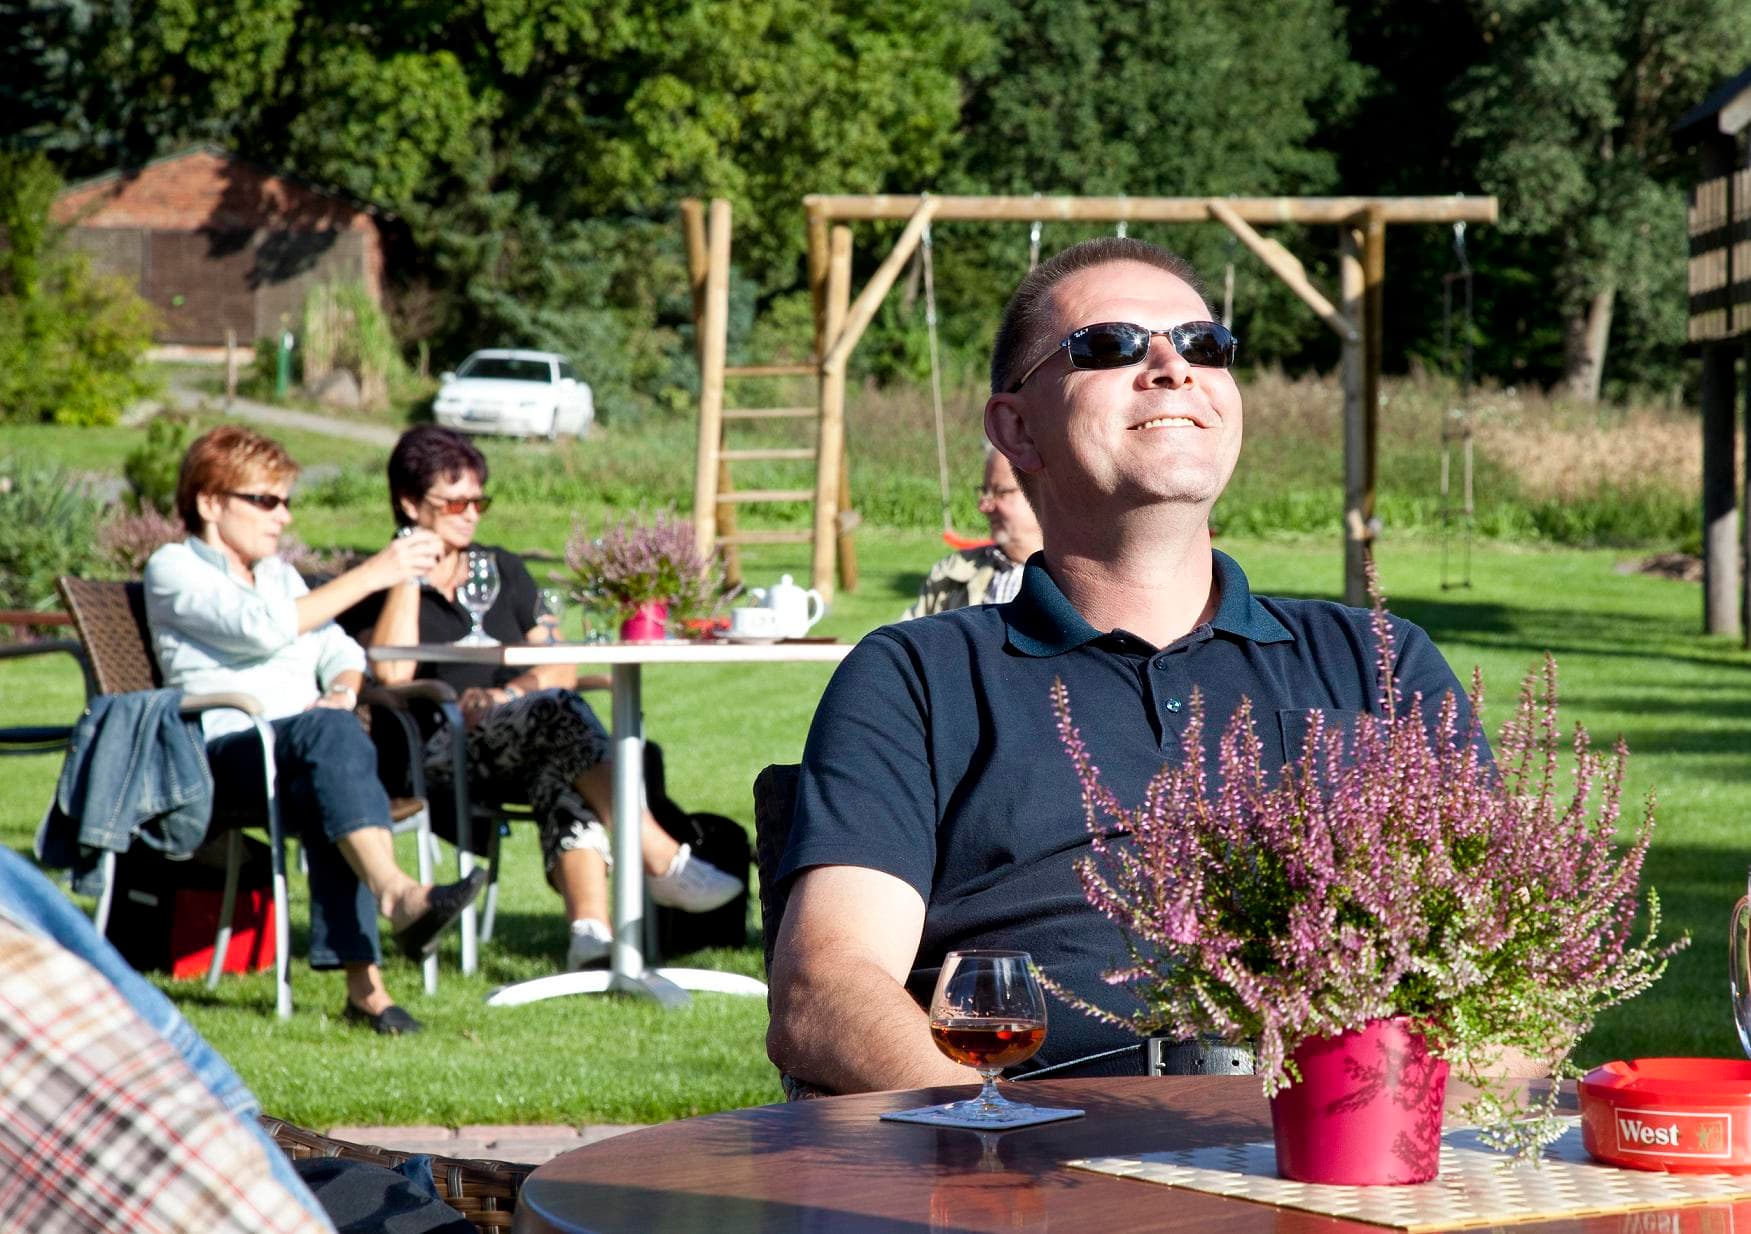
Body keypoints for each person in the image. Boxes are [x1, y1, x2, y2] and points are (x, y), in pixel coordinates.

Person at [767, 238, 1477, 1093]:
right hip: (1029, 1167)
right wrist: (1001, 1151)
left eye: (1205, 344)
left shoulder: (1378, 663)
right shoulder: (920, 679)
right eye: (1111, 345)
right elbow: (825, 991)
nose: (1173, 366)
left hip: (1334, 1157)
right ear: (1015, 429)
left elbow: (1511, 974)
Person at [347, 426, 742, 972]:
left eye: (479, 499)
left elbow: (560, 664)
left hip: (521, 736)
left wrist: (507, 693)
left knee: (563, 751)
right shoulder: (374, 581)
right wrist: (405, 572)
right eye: (455, 501)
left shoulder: (503, 568)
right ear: (410, 503)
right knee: (562, 720)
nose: (471, 513)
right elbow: (391, 670)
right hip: (434, 750)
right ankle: (662, 858)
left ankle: (591, 934)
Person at [144, 426, 487, 1035]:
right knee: (332, 740)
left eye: (286, 501)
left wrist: (343, 689)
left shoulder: (276, 573)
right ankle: (397, 898)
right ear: (209, 503)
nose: (283, 516)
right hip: (220, 756)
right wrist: (377, 572)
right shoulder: (173, 569)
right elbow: (261, 629)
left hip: (299, 751)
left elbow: (338, 649)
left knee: (331, 760)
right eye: (266, 501)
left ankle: (369, 994)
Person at [901, 449, 1044, 619]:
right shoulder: (950, 572)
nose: (984, 507)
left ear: (1041, 491)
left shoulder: (1073, 580)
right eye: (985, 491)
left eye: (1000, 492)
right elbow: (903, 640)